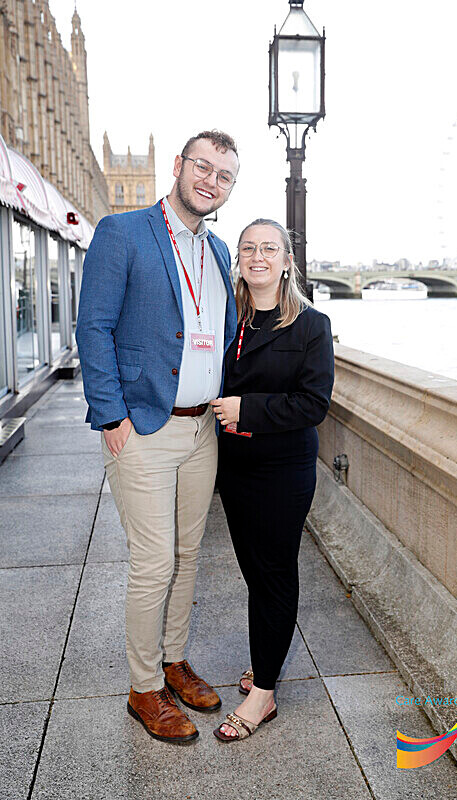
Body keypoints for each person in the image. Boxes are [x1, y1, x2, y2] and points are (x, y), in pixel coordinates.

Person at [76, 130, 239, 744]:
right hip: (142, 426)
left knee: (189, 554)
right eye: (202, 166)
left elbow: (222, 333)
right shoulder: (123, 232)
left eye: (223, 175)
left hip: (202, 427)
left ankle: (174, 660)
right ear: (178, 165)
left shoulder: (218, 250)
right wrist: (111, 417)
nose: (210, 181)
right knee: (154, 562)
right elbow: (93, 327)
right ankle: (144, 688)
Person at [210, 219, 335, 741]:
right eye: (248, 248)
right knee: (256, 574)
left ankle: (263, 694)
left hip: (283, 471)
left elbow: (314, 404)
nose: (257, 256)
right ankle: (268, 655)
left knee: (276, 572)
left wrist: (248, 409)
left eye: (268, 248)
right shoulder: (228, 319)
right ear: (238, 259)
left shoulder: (311, 325)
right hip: (236, 469)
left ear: (286, 261)